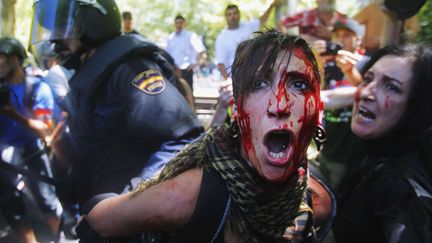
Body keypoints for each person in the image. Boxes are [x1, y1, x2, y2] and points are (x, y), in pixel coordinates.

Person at [82, 29, 327, 242]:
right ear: (237, 110)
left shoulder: (316, 200)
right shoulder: (189, 196)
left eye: (299, 85)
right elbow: (98, 220)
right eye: (259, 84)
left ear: (318, 111)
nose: (279, 104)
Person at [29, 0, 203, 230]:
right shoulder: (90, 74)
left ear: (93, 21)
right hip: (107, 223)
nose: (54, 39)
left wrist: (127, 203)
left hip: (135, 224)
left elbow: (183, 139)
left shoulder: (130, 69)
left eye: (63, 28)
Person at [333, 44, 432, 242]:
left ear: (417, 106)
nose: (365, 93)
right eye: (367, 79)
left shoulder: (399, 188)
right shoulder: (373, 152)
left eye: (392, 87)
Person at [0, 37, 62, 243]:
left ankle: (58, 237)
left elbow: (46, 129)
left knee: (48, 202)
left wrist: (12, 113)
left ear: (16, 60)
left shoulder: (37, 88)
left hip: (33, 152)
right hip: (6, 158)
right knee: (12, 207)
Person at [314, 19, 366, 191]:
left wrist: (351, 71)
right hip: (329, 143)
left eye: (347, 35)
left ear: (358, 38)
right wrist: (318, 62)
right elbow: (319, 94)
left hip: (351, 147)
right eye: (337, 35)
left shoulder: (367, 63)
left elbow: (366, 93)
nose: (341, 40)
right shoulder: (329, 65)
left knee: (339, 195)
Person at [215, 1, 280, 80]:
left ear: (239, 15)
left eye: (235, 13)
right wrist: (228, 80)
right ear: (226, 17)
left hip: (253, 75)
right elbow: (221, 64)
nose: (233, 16)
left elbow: (262, 20)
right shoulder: (222, 37)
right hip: (236, 78)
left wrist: (272, 6)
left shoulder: (248, 27)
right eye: (229, 14)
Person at [353, 0, 420, 55]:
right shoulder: (372, 8)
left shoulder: (405, 9)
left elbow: (414, 30)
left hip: (396, 51)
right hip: (371, 51)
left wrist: (402, 36)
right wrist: (361, 38)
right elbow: (353, 24)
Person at [166, 15, 206, 90]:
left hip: (186, 71)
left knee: (188, 96)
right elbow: (167, 54)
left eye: (181, 23)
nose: (179, 25)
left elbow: (201, 51)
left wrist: (195, 64)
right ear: (174, 24)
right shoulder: (171, 37)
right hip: (174, 71)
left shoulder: (190, 36)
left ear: (184, 24)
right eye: (177, 23)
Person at [280, 0, 347, 43]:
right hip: (308, 58)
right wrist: (285, 43)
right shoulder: (306, 14)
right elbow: (284, 22)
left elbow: (351, 42)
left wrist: (331, 35)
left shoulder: (343, 19)